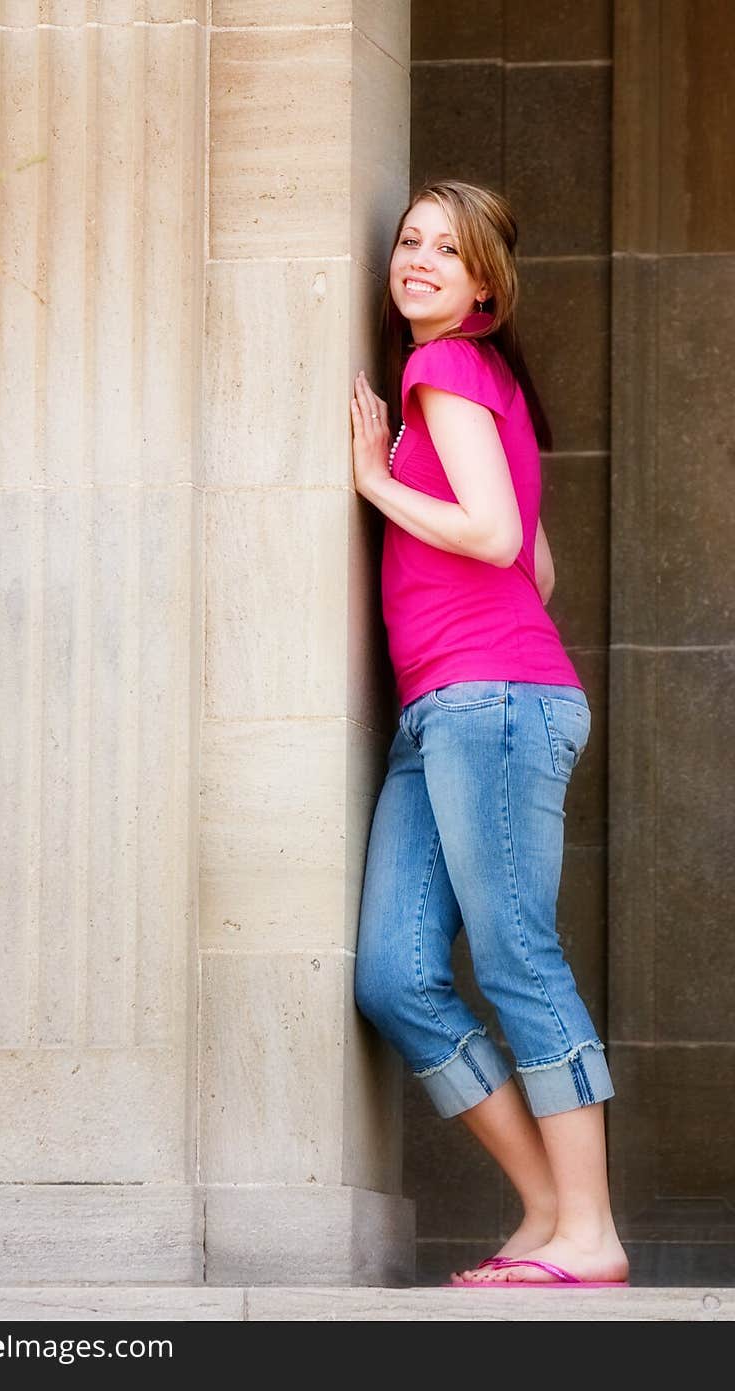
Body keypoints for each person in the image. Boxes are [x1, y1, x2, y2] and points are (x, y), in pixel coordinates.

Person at [350, 179, 629, 1289]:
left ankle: (589, 1232)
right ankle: (549, 1212)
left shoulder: (443, 366)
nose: (417, 258)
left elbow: (494, 532)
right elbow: (540, 567)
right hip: (455, 705)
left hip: (489, 700)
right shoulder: (482, 383)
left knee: (517, 954)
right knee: (395, 974)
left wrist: (375, 481)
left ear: (483, 285)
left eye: (444, 249)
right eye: (408, 240)